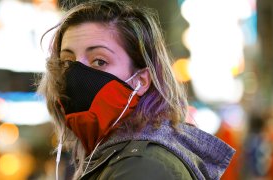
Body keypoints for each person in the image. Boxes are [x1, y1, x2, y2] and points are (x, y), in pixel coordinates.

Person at [37, 0, 235, 179]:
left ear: (140, 80)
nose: (75, 73)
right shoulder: (121, 157)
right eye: (67, 62)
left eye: (99, 61)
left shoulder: (141, 166)